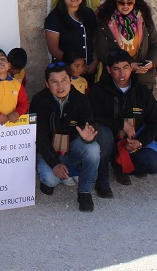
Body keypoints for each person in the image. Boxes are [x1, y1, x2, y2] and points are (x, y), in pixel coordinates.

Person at [90, 51, 157, 197]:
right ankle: (102, 179)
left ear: (131, 68)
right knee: (101, 132)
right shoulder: (98, 90)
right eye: (116, 69)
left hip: (131, 143)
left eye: (126, 68)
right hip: (108, 144)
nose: (122, 74)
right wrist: (121, 123)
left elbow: (156, 122)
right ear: (109, 70)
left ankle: (122, 165)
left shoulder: (142, 92)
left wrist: (140, 142)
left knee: (153, 164)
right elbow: (91, 117)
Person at [31, 62, 99, 212]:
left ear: (71, 80)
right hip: (48, 149)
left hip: (70, 148)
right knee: (50, 180)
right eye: (54, 82)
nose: (60, 86)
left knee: (93, 149)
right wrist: (54, 163)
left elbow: (89, 125)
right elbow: (39, 136)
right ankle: (59, 172)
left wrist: (89, 137)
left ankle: (85, 192)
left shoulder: (81, 100)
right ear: (47, 84)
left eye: (64, 80)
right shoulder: (39, 101)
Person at [95, 0, 157, 89]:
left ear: (135, 2)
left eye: (129, 2)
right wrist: (128, 66)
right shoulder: (105, 23)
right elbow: (102, 52)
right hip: (116, 81)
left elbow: (155, 45)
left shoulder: (144, 19)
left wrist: (151, 63)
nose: (125, 6)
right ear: (115, 2)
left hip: (143, 80)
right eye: (121, 2)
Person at [44, 0, 98, 80]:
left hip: (89, 70)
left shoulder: (89, 13)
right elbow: (53, 48)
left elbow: (95, 39)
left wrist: (95, 61)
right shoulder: (55, 17)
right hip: (66, 73)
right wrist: (74, 67)